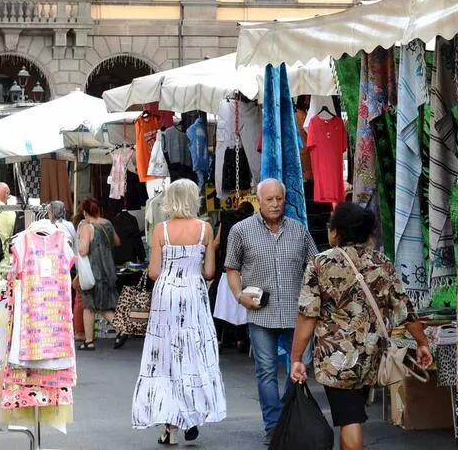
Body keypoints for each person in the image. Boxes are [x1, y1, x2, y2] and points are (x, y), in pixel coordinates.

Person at [290, 203, 432, 450]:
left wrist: (296, 357)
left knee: (350, 418)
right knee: (353, 414)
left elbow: (307, 316)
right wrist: (422, 343)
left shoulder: (320, 264)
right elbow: (405, 310)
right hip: (370, 356)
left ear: (336, 232)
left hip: (335, 359)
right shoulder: (381, 262)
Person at [132, 179, 226, 444]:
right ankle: (191, 414)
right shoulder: (205, 230)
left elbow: (153, 272)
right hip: (193, 295)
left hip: (167, 296)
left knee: (166, 357)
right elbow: (209, 272)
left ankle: (170, 424)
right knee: (193, 354)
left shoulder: (161, 230)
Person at [225, 178, 318, 444]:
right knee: (265, 371)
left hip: (295, 313)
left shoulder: (299, 231)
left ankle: (289, 418)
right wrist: (239, 295)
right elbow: (232, 269)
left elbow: (315, 267)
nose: (275, 204)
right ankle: (274, 426)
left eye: (279, 199)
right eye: (270, 199)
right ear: (259, 200)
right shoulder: (241, 231)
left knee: (300, 365)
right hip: (261, 313)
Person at [76, 198, 119, 350]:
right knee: (91, 306)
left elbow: (83, 250)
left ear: (85, 212)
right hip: (108, 268)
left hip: (93, 271)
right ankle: (89, 340)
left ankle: (121, 328)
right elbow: (116, 241)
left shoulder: (88, 227)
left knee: (94, 304)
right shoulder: (107, 223)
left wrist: (81, 238)